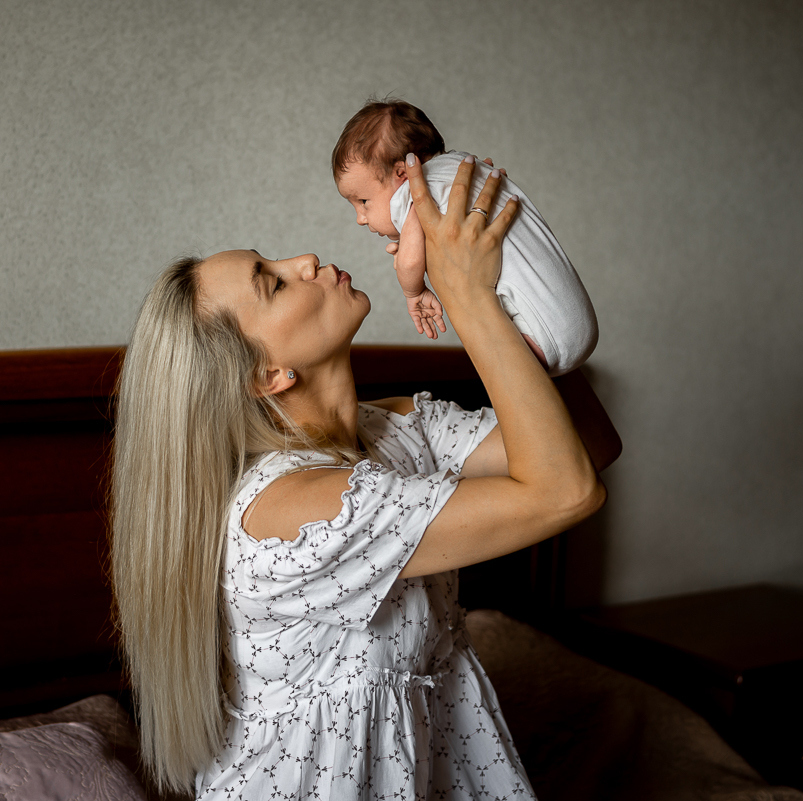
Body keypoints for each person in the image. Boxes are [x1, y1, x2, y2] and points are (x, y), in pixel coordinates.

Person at [110, 154, 607, 798]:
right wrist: (468, 295)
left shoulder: (395, 428)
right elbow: (565, 492)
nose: (305, 261)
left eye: (275, 259)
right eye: (274, 283)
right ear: (267, 376)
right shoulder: (294, 510)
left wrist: (519, 278)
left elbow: (589, 446)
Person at [333, 99, 598, 376]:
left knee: (496, 372)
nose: (360, 218)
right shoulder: (464, 166)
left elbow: (410, 264)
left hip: (542, 336)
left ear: (402, 173)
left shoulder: (415, 192)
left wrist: (414, 290)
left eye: (363, 201)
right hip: (573, 316)